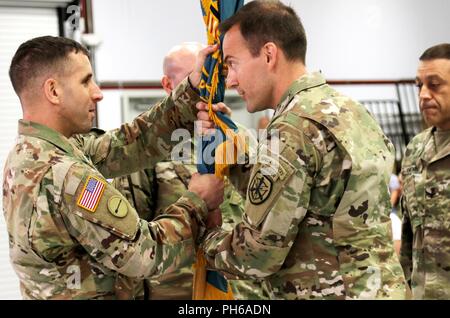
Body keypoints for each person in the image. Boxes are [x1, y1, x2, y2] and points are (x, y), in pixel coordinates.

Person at [196, 0, 407, 299]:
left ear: (269, 55)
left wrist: (204, 236)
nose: (230, 80)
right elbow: (316, 207)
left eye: (233, 64)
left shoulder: (291, 130)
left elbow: (255, 257)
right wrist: (237, 160)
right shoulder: (352, 110)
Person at [2, 35, 224, 299]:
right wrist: (197, 201)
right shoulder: (66, 175)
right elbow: (144, 254)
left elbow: (130, 143)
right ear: (53, 91)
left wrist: (191, 89)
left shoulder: (28, 154)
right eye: (85, 81)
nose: (97, 93)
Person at [112, 42, 272, 300]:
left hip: (239, 289)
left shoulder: (240, 137)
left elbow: (261, 213)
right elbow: (129, 239)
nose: (204, 89)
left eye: (210, 79)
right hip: (177, 289)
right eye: (195, 79)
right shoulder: (148, 150)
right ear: (167, 85)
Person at [400, 43, 450, 299]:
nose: (423, 94)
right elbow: (409, 235)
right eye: (419, 85)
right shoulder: (416, 149)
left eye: (435, 84)